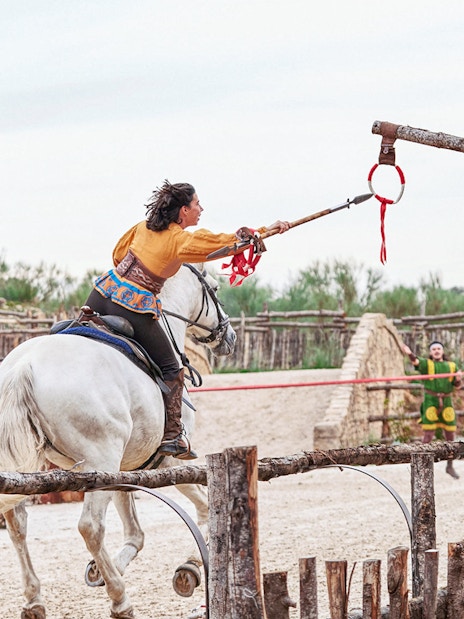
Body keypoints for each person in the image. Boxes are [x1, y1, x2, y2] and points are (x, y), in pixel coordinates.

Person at [84, 180, 290, 460]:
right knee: (171, 367)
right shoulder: (179, 240)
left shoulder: (141, 227)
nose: (201, 209)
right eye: (196, 204)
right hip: (132, 305)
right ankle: (172, 436)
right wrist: (267, 230)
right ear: (183, 211)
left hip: (100, 293)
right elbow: (223, 243)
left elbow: (119, 253)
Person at [403, 341, 462, 479]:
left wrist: (458, 379)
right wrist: (409, 353)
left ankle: (450, 465)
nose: (436, 351)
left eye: (438, 348)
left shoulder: (452, 366)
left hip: (446, 401)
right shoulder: (427, 364)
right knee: (428, 434)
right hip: (431, 400)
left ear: (442, 351)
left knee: (450, 434)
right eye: (434, 349)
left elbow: (457, 385)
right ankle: (422, 466)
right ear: (431, 352)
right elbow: (416, 361)